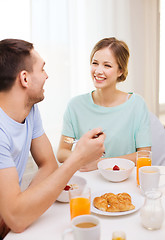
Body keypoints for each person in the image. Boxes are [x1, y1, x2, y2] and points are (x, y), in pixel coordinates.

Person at [0, 38, 105, 238]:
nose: (47, 76)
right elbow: (18, 221)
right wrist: (78, 158)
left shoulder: (28, 109)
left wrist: (20, 206)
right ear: (25, 79)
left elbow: (48, 164)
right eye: (42, 69)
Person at [57, 37, 151, 171]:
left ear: (120, 71)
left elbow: (144, 156)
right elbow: (63, 150)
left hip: (124, 182)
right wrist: (82, 159)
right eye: (95, 63)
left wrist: (101, 164)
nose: (98, 71)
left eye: (107, 65)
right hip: (87, 182)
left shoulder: (137, 105)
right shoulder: (75, 106)